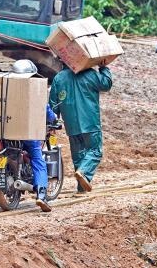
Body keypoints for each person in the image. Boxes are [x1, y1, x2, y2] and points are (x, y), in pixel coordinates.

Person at [49, 61, 113, 193]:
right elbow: (106, 84)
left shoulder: (59, 78)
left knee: (78, 156)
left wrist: (52, 124)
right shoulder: (90, 74)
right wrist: (103, 68)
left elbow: (53, 105)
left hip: (71, 125)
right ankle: (84, 172)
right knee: (95, 151)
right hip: (90, 122)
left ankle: (81, 188)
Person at [9, 59, 56, 211]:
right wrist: (54, 119)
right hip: (28, 135)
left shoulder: (5, 88)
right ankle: (41, 195)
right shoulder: (35, 90)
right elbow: (47, 112)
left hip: (5, 134)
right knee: (38, 160)